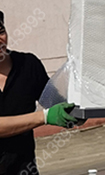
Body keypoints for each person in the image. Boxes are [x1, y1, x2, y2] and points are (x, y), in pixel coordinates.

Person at [0, 11, 83, 174]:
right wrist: (44, 117)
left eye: (1, 31)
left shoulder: (28, 65)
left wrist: (78, 109)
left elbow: (55, 103)